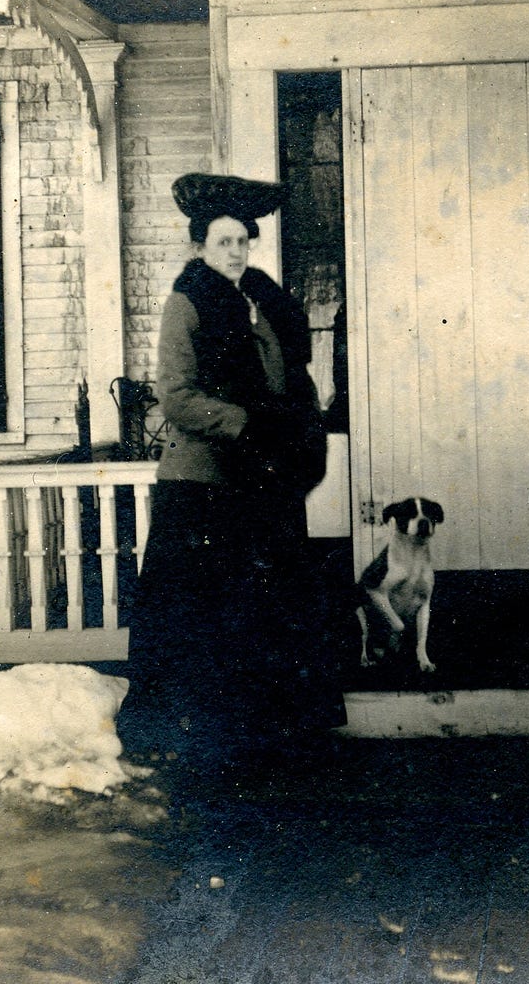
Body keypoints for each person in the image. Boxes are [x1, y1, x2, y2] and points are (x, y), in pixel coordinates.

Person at [127, 172, 344, 785]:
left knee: (259, 606)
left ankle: (260, 730)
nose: (235, 252)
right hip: (205, 481)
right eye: (222, 242)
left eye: (242, 242)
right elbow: (176, 396)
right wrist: (247, 423)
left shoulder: (261, 300)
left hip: (262, 478)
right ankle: (187, 732)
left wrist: (296, 423)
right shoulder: (187, 303)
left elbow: (288, 376)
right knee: (198, 608)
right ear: (200, 247)